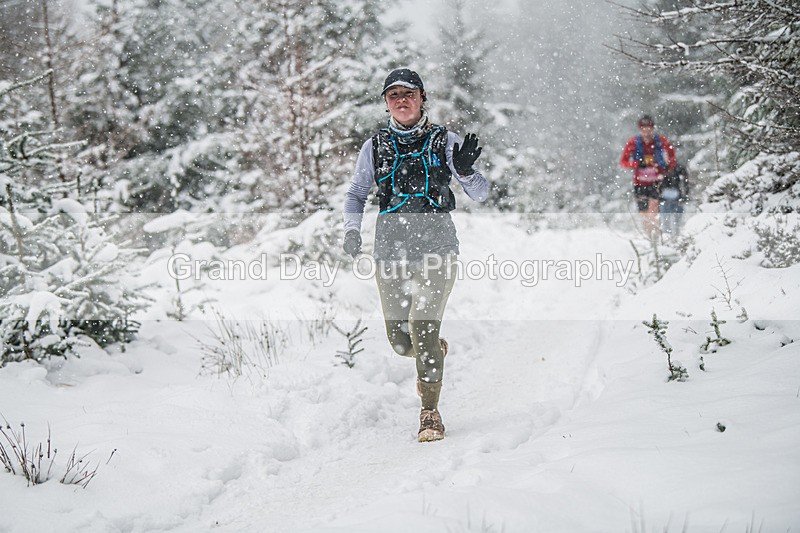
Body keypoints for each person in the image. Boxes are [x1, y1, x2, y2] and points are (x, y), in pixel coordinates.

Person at [342, 68, 489, 443]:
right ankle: (432, 351)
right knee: (401, 341)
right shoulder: (374, 147)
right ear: (386, 103)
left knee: (422, 324)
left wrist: (467, 170)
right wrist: (351, 230)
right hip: (391, 247)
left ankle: (430, 412)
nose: (401, 100)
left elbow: (482, 193)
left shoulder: (445, 140)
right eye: (393, 95)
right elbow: (356, 194)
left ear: (423, 97)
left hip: (438, 246)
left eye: (409, 93)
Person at [620, 115, 676, 241]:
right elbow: (623, 161)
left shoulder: (661, 141)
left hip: (656, 181)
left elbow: (672, 157)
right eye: (643, 129)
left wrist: (667, 168)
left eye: (649, 128)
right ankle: (648, 236)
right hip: (639, 182)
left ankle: (655, 236)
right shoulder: (633, 142)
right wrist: (636, 164)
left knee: (654, 209)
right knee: (643, 212)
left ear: (653, 128)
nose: (646, 131)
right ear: (640, 129)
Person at [660, 161, 690, 236]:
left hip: (674, 197)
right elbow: (685, 183)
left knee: (673, 220)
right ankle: (671, 237)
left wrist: (685, 195)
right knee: (670, 220)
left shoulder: (679, 168)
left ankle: (673, 237)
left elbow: (685, 182)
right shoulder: (662, 167)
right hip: (670, 197)